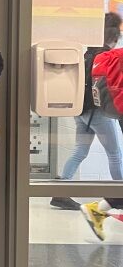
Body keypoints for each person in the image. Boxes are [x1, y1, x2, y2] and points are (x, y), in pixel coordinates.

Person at [51, 12, 123, 210]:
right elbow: (109, 88)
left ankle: (60, 192)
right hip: (99, 113)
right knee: (115, 154)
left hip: (81, 111)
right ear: (113, 37)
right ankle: (120, 194)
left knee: (80, 150)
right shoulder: (107, 57)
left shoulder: (87, 54)